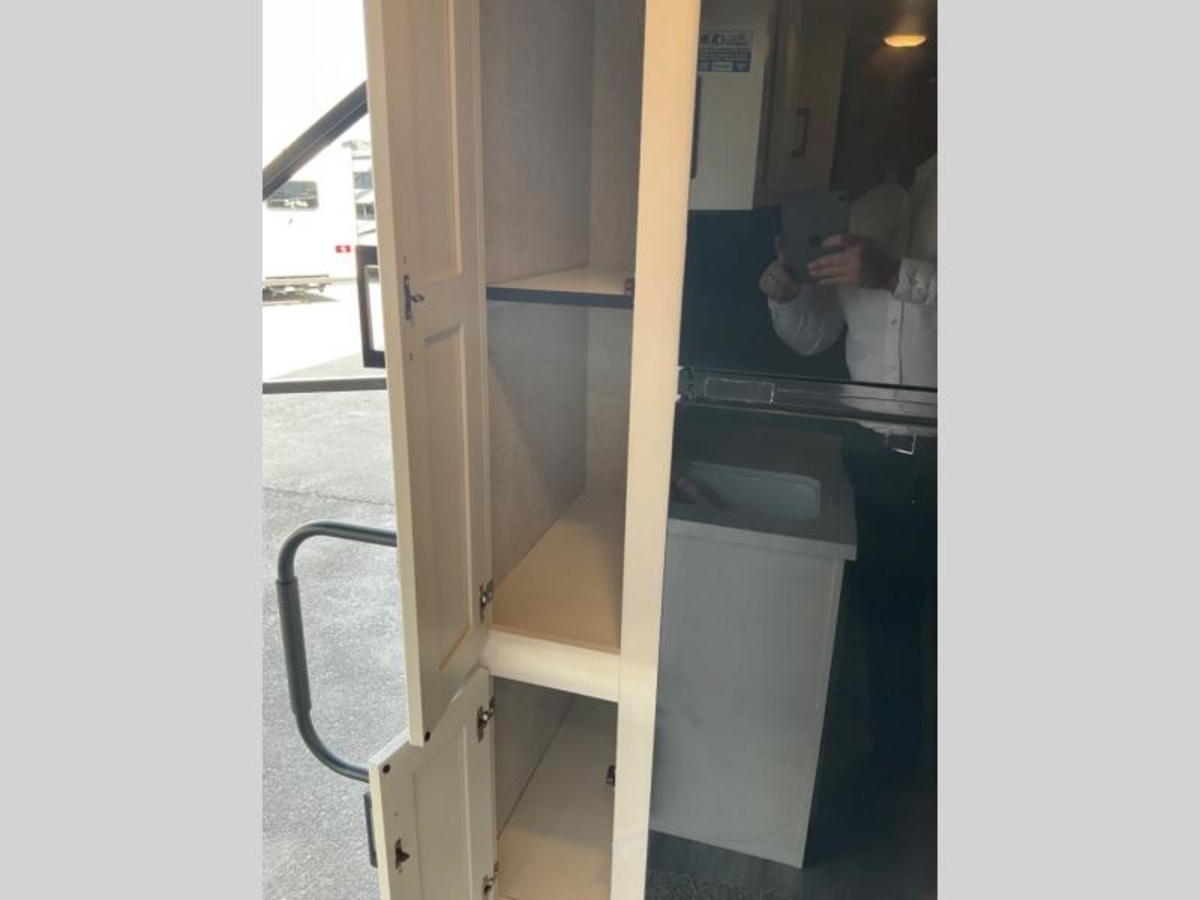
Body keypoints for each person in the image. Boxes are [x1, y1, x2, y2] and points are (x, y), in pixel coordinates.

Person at [760, 65, 937, 784]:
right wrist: (785, 297)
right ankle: (892, 770)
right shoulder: (862, 211)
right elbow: (817, 338)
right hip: (874, 453)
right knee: (884, 622)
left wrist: (896, 274)